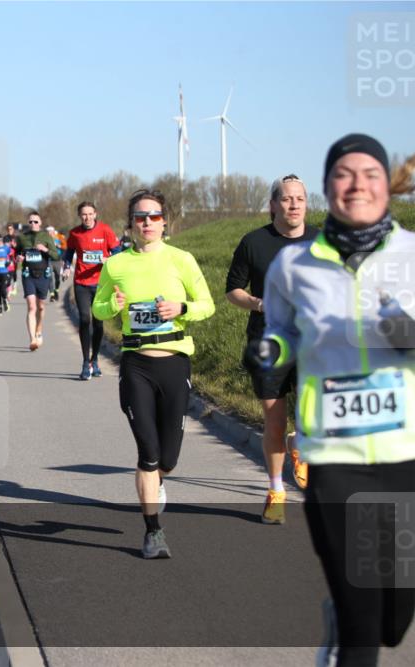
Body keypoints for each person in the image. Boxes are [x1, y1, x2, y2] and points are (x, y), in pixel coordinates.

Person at [251, 135, 414, 665]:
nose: (356, 184)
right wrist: (269, 351)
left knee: (396, 616)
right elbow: (282, 333)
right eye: (343, 174)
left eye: (369, 173)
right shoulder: (294, 267)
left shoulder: (411, 255)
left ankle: (349, 617)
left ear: (387, 186)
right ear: (327, 188)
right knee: (362, 622)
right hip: (336, 458)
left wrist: (398, 326)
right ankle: (345, 626)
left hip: (405, 452)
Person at [92, 189, 215, 559]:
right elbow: (98, 310)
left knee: (168, 459)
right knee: (147, 452)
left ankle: (158, 478)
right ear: (130, 224)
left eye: (154, 216)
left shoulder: (181, 259)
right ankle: (153, 532)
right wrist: (108, 305)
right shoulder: (116, 265)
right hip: (136, 364)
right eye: (140, 217)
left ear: (164, 222)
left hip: (174, 361)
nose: (147, 222)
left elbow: (207, 305)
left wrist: (182, 307)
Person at [225, 174, 319, 524]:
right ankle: (276, 490)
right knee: (275, 422)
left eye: (300, 199)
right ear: (272, 205)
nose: (294, 204)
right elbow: (232, 290)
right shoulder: (254, 243)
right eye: (286, 198)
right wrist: (258, 304)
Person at [62, 201, 121, 380]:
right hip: (81, 282)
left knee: (98, 323)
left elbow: (118, 253)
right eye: (83, 214)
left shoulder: (105, 230)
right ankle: (85, 362)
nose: (87, 217)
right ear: (80, 216)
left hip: (101, 284)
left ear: (95, 214)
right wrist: (65, 266)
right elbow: (69, 252)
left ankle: (94, 360)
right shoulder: (75, 233)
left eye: (90, 214)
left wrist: (108, 259)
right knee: (85, 319)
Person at [17, 211, 61, 351]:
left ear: (40, 223)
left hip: (43, 275)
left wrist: (45, 249)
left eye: (35, 221)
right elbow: (17, 254)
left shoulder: (46, 236)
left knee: (41, 307)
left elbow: (55, 255)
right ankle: (33, 340)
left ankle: (39, 329)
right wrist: (19, 258)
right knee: (31, 307)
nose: (33, 224)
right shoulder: (22, 238)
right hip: (28, 274)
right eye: (30, 222)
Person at [46, 225, 67, 302]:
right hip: (49, 260)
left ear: (53, 231)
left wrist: (58, 245)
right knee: (49, 277)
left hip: (58, 260)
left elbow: (65, 247)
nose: (49, 233)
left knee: (58, 277)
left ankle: (56, 290)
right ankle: (52, 294)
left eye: (50, 232)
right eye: (48, 232)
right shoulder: (45, 239)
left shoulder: (59, 237)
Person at [4, 223, 20, 297]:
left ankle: (15, 287)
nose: (9, 230)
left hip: (14, 256)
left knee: (14, 272)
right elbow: (4, 246)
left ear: (13, 229)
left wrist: (15, 246)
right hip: (8, 257)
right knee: (8, 272)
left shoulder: (16, 237)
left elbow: (18, 247)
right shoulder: (5, 238)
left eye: (11, 229)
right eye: (8, 229)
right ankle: (9, 289)